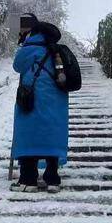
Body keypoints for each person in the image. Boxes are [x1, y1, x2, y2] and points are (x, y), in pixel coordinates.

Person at [10, 13, 68, 193]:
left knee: (29, 133)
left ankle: (28, 180)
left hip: (33, 98)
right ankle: (52, 179)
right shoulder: (55, 49)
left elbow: (17, 66)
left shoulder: (29, 48)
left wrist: (23, 43)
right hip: (57, 98)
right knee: (51, 134)